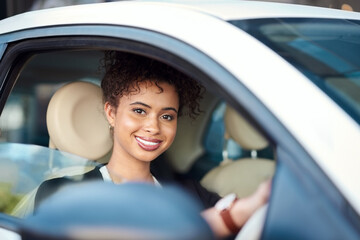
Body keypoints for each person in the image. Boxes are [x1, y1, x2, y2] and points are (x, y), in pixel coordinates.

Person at [35, 51, 271, 239]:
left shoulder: (192, 194)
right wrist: (229, 218)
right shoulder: (60, 193)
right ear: (111, 113)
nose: (154, 127)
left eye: (167, 116)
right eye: (139, 111)